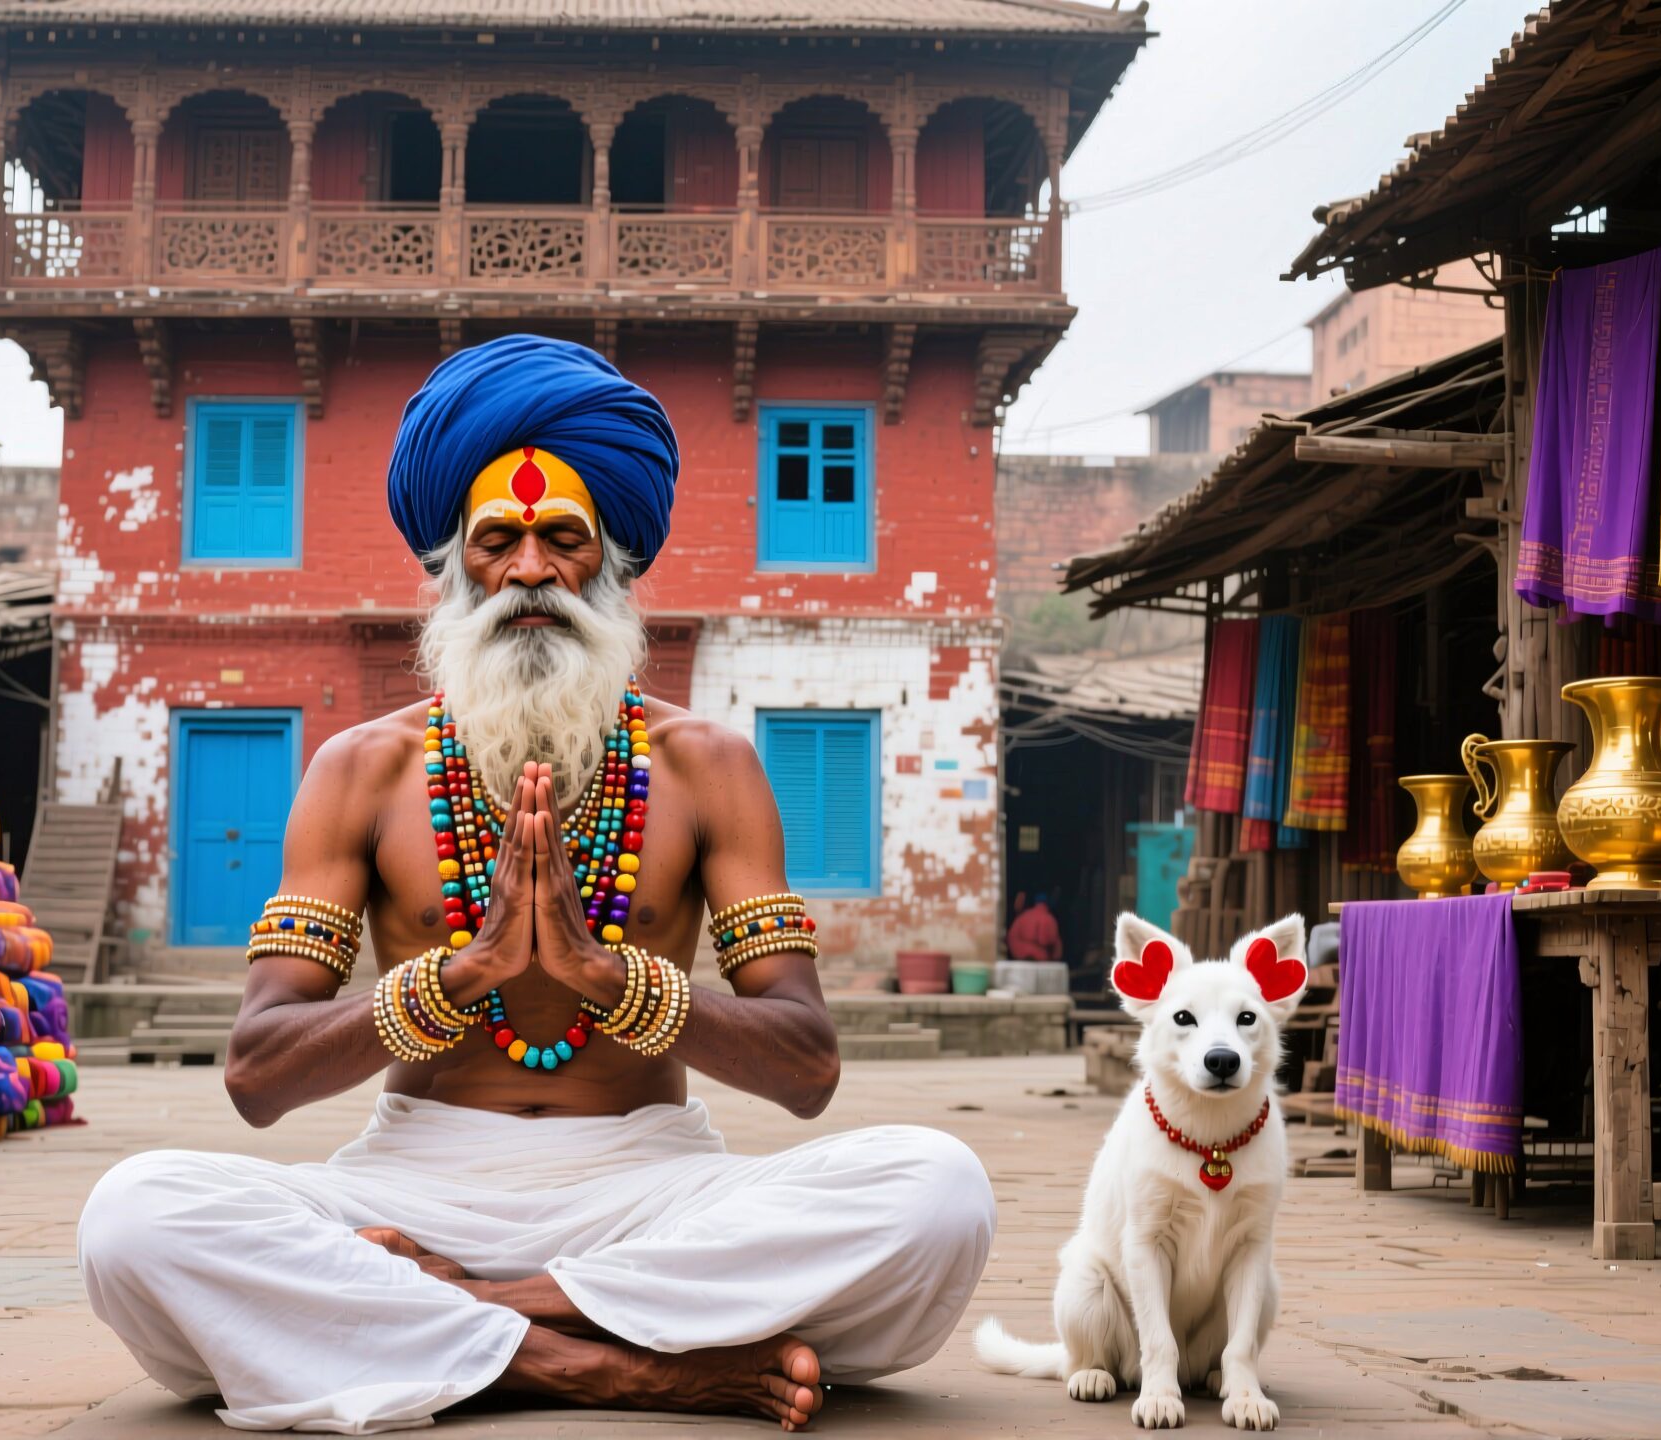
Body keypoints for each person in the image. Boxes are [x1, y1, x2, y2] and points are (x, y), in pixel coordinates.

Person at [77, 335, 995, 1434]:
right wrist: (460, 975)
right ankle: (612, 1365)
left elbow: (805, 1069)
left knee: (939, 1191)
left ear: (613, 563)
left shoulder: (706, 766)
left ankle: (467, 1313)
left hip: (651, 1187)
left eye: (563, 538)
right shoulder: (362, 769)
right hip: (409, 1182)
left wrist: (609, 977)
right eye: (495, 541)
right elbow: (257, 1075)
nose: (527, 571)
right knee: (133, 1220)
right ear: (451, 565)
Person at [1005, 892, 1062, 964]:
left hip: (1020, 958)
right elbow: (1046, 940)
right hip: (1039, 960)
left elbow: (1010, 937)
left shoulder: (1022, 917)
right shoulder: (1048, 918)